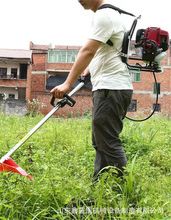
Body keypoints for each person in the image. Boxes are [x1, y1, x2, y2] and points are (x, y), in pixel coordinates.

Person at [50, 0, 133, 182]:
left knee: (108, 141)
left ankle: (125, 192)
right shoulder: (110, 14)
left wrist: (67, 84)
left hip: (111, 89)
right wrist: (90, 69)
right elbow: (106, 50)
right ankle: (99, 187)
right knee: (100, 141)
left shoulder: (104, 16)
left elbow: (88, 51)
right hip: (111, 87)